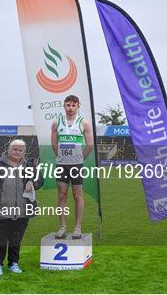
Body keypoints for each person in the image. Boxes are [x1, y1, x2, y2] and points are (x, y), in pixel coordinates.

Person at [0, 139, 43, 277]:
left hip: (22, 210)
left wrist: (31, 180)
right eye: (14, 149)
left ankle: (13, 264)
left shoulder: (29, 166)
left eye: (20, 150)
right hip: (2, 211)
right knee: (1, 239)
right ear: (8, 150)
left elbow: (40, 181)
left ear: (24, 152)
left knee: (16, 240)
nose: (17, 152)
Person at [51, 95, 94, 239]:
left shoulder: (84, 123)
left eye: (73, 105)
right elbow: (54, 143)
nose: (70, 108)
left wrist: (80, 157)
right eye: (68, 105)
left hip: (76, 165)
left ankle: (77, 227)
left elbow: (90, 144)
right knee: (62, 195)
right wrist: (60, 156)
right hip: (62, 165)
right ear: (64, 106)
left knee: (77, 195)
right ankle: (62, 227)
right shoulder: (57, 121)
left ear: (78, 106)